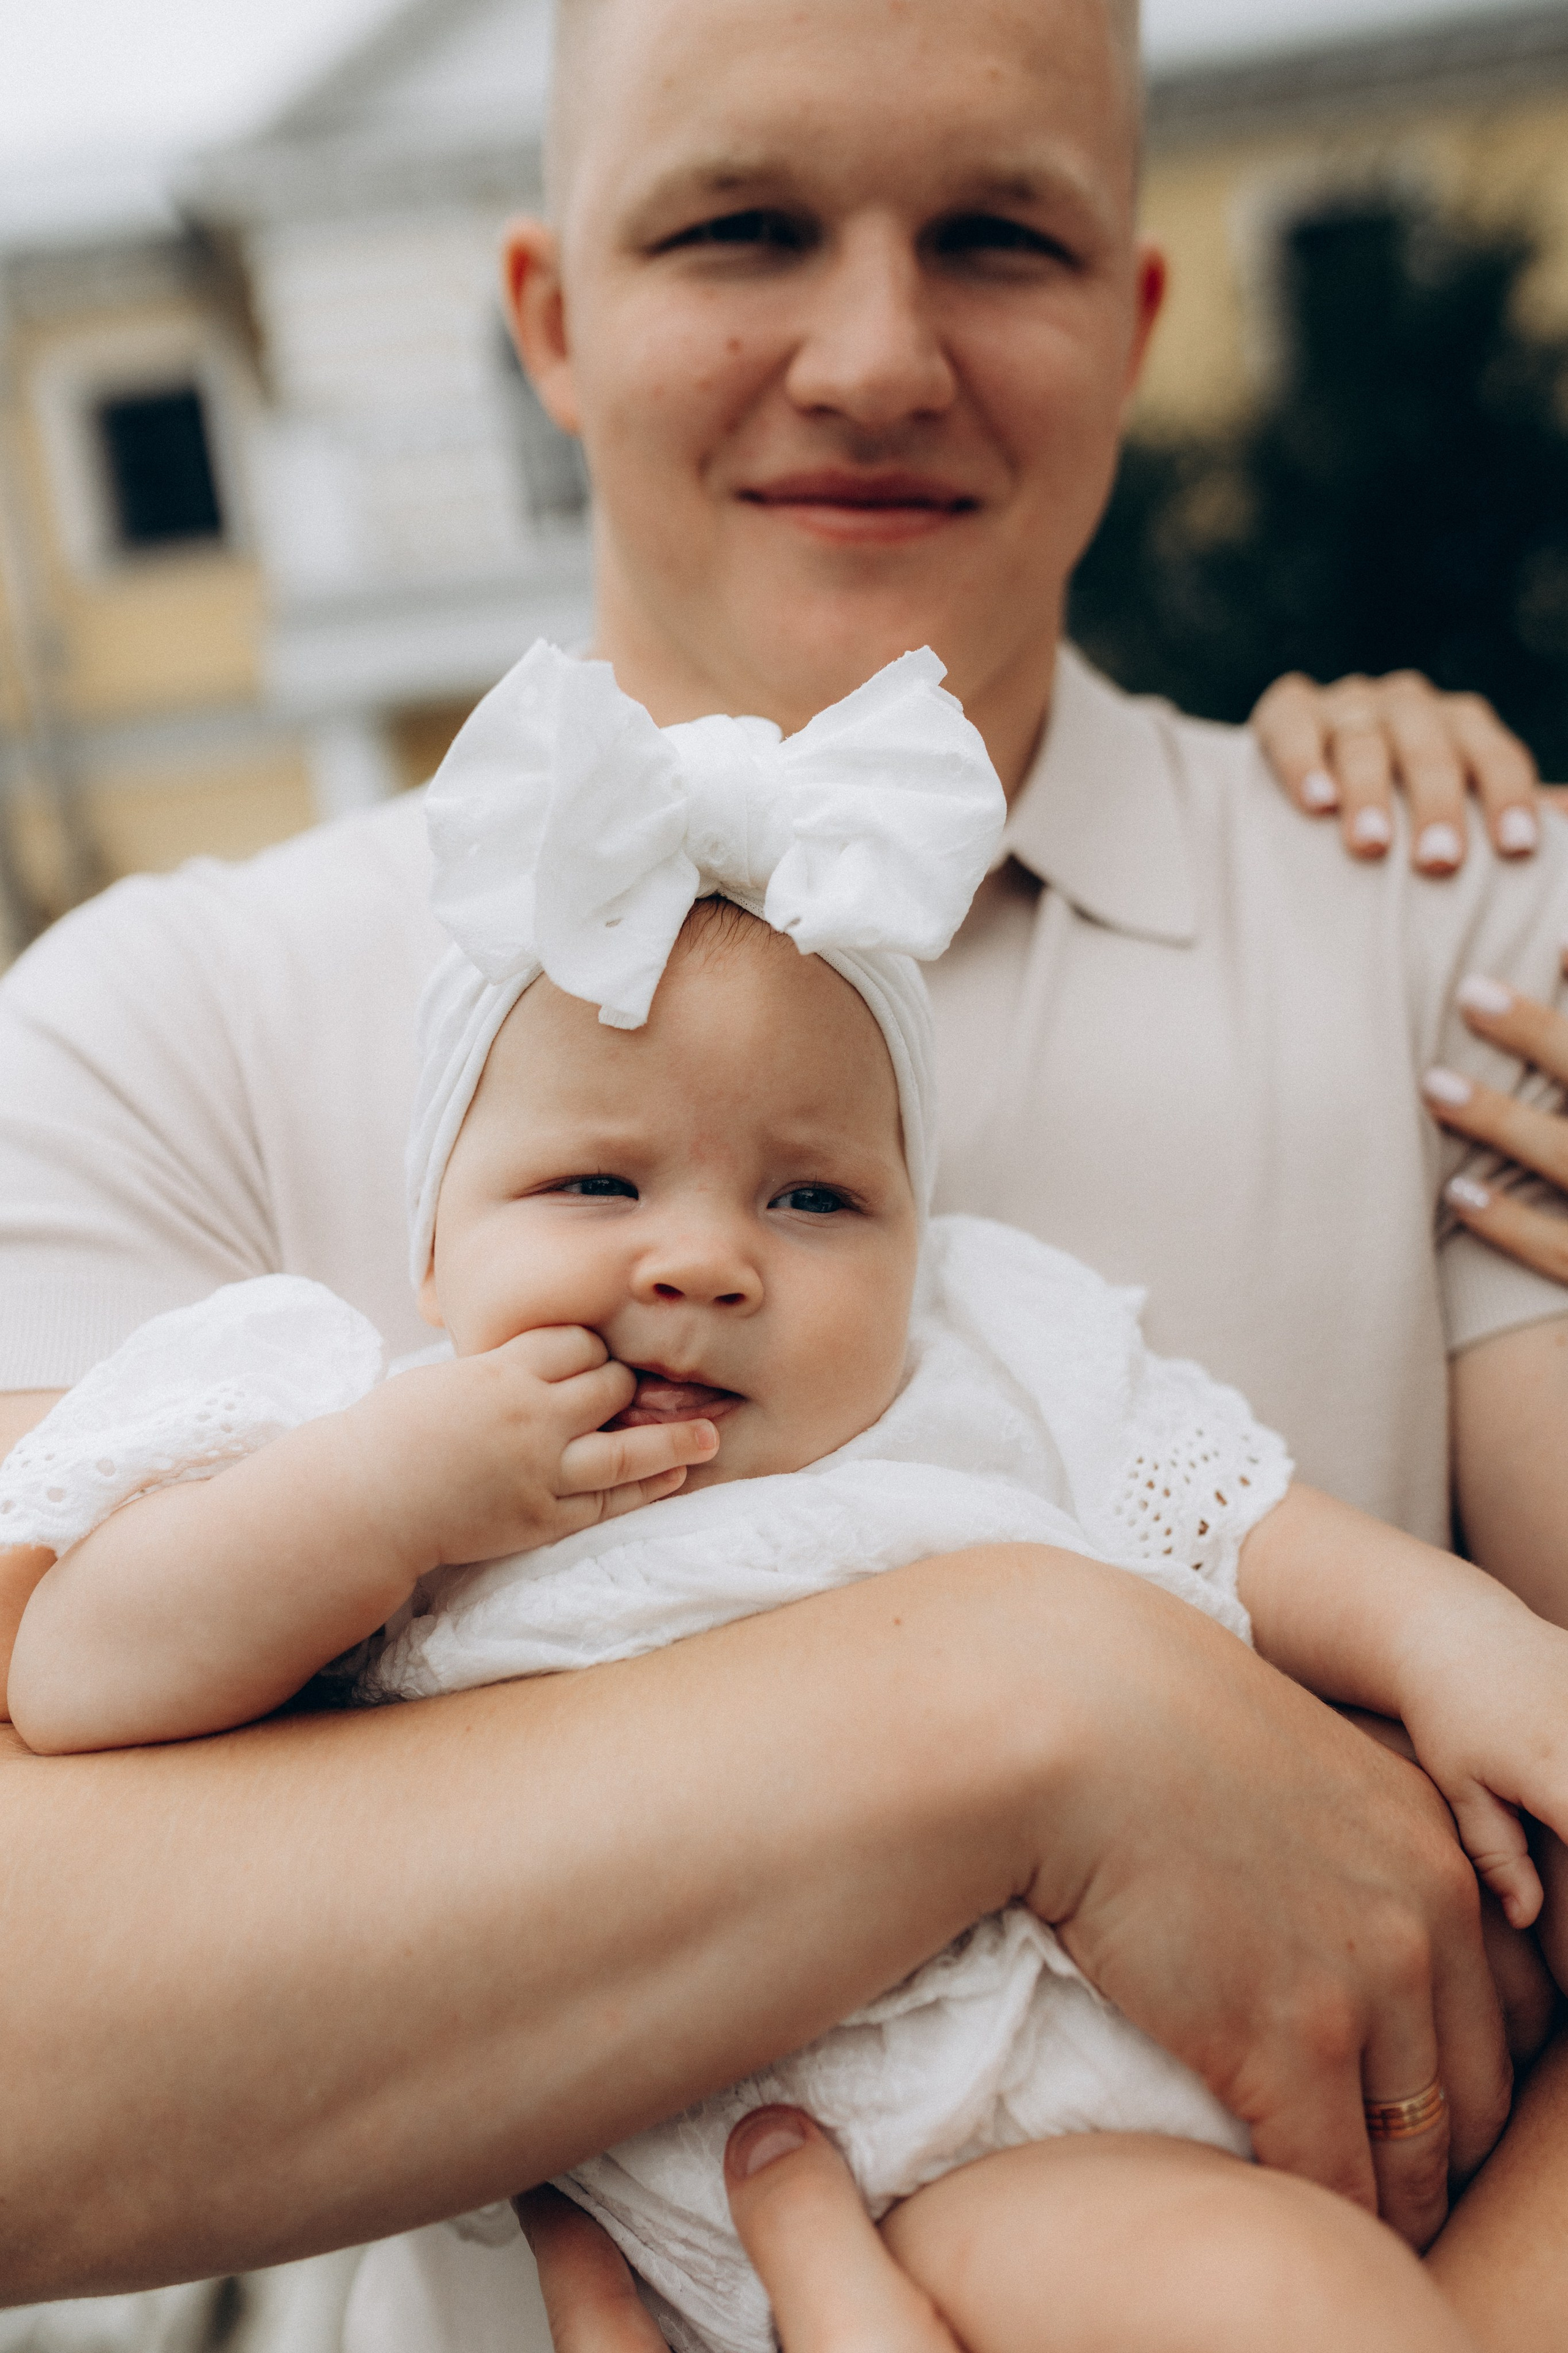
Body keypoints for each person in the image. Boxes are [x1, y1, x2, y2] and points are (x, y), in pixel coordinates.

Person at [4, 0, 1568, 2335]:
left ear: (1137, 317)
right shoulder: (161, 1023)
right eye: (742, 225)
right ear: (547, 314)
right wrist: (1034, 1711)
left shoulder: (1461, 906)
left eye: (997, 238)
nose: (872, 355)